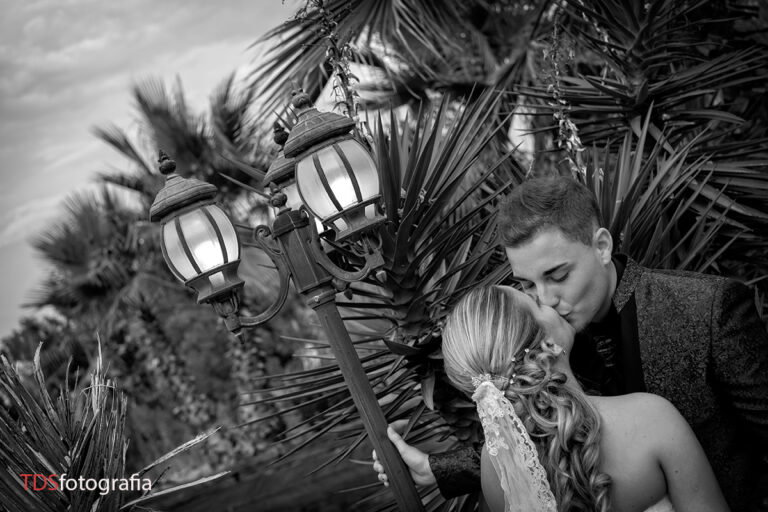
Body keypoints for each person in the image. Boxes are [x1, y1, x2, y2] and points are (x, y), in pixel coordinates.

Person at [373, 176, 768, 511]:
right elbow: (541, 435)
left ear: (601, 246)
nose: (544, 299)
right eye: (527, 285)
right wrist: (438, 468)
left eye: (557, 275)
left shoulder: (708, 309)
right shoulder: (542, 341)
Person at [445, 284, 727, 510]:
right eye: (538, 304)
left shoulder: (496, 469)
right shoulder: (650, 420)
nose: (550, 300)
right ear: (548, 344)